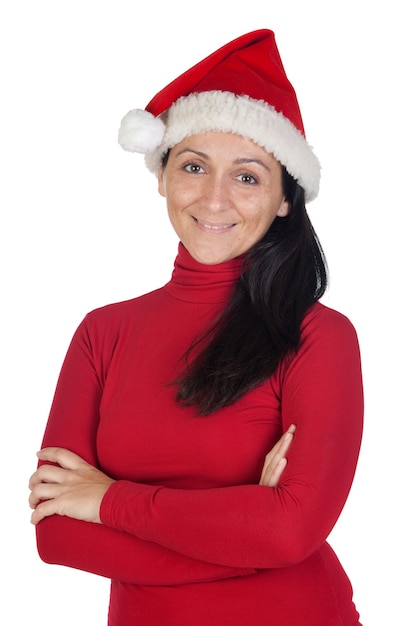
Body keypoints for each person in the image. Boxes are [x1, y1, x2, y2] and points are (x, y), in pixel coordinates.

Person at [28, 29, 364, 625]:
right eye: (193, 166)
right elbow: (57, 535)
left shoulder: (319, 337)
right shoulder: (101, 333)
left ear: (285, 197)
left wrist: (108, 500)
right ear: (161, 176)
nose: (214, 199)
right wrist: (247, 534)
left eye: (248, 176)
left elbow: (290, 536)